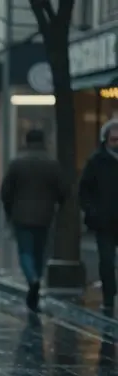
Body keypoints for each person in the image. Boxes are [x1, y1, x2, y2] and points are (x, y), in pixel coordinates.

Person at [1, 130, 67, 313]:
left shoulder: (17, 163)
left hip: (21, 215)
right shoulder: (52, 164)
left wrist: (9, 211)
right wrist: (57, 205)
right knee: (39, 251)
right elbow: (63, 190)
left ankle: (33, 279)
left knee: (25, 251)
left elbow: (5, 191)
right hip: (45, 215)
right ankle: (36, 279)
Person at [80, 118, 118, 315]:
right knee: (106, 260)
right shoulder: (96, 161)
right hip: (105, 221)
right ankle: (109, 297)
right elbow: (84, 189)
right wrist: (92, 211)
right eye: (114, 139)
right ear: (106, 140)